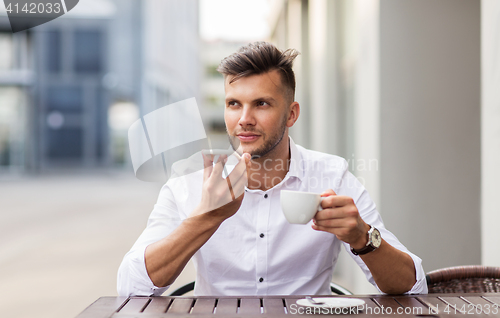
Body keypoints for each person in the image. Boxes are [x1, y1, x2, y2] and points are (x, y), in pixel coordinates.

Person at [117, 42, 427, 296]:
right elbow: (130, 288)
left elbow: (414, 288)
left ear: (291, 114)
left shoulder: (332, 176)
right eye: (234, 104)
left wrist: (363, 238)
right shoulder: (188, 181)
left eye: (261, 104)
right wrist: (205, 219)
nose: (244, 119)